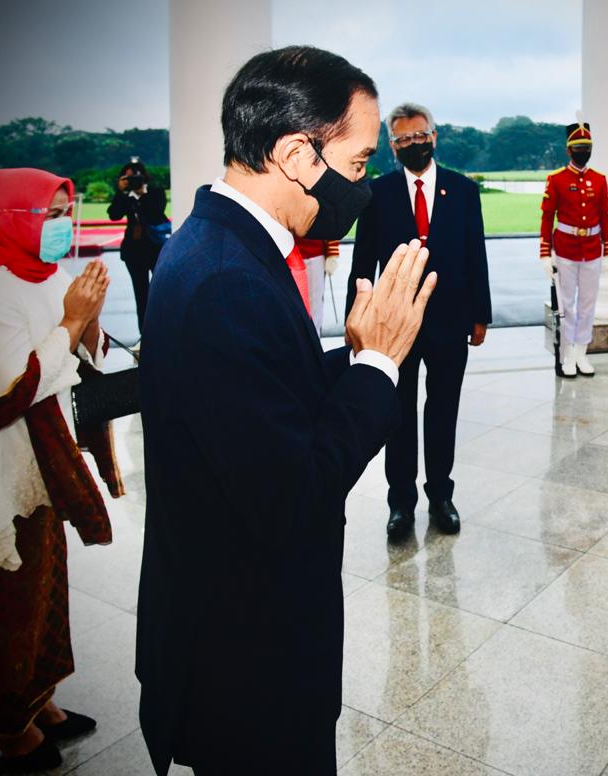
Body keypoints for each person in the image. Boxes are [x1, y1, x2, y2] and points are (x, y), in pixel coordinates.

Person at [135, 47, 436, 775]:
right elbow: (292, 495)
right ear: (298, 154)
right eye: (361, 163)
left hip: (231, 631)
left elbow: (258, 387)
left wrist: (353, 350)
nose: (365, 184)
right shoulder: (226, 280)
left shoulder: (218, 244)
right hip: (248, 662)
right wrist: (378, 365)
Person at [0, 168, 120, 773]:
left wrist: (87, 320)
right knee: (3, 598)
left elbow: (81, 355)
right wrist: (72, 323)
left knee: (44, 585)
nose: (62, 226)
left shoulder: (48, 276)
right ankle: (8, 731)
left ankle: (38, 700)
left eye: (66, 211)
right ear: (7, 220)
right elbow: (14, 387)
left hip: (42, 456)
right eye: (49, 214)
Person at [346, 102, 491, 543]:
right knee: (398, 414)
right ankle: (400, 503)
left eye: (419, 135)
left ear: (434, 136)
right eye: (403, 139)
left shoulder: (462, 191)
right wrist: (361, 317)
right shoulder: (377, 193)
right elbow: (362, 260)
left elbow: (475, 254)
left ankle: (441, 496)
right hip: (393, 325)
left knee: (443, 410)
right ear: (392, 146)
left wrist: (480, 314)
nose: (413, 144)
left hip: (450, 319)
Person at [539, 117, 608, 377]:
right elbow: (547, 218)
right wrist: (545, 254)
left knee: (587, 305)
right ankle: (568, 354)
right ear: (569, 150)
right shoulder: (556, 179)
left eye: (587, 147)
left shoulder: (599, 179)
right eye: (579, 147)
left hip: (592, 249)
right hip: (566, 250)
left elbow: (604, 217)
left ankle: (582, 353)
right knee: (567, 306)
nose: (584, 152)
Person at [107, 159, 169, 332]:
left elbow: (156, 212)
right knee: (141, 295)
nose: (133, 181)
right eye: (128, 178)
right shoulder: (126, 198)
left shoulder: (156, 192)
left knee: (161, 292)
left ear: (144, 176)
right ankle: (145, 333)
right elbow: (114, 215)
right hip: (134, 253)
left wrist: (142, 194)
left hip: (156, 249)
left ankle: (164, 330)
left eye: (135, 176)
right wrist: (120, 193)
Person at [295, 235, 341, 333]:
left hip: (316, 254)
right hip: (290, 253)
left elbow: (330, 224)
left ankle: (315, 340)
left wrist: (332, 253)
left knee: (315, 306)